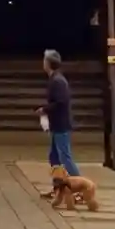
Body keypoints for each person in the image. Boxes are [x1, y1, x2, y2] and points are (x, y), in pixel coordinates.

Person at [38, 49, 79, 182]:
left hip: (61, 124)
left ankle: (80, 184)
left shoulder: (58, 80)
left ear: (48, 63)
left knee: (65, 157)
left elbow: (61, 101)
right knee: (54, 157)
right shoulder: (54, 79)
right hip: (56, 124)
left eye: (45, 60)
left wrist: (45, 109)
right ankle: (58, 184)